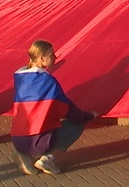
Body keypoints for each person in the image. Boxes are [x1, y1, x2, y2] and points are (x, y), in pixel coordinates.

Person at [11, 40, 98, 175]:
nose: (55, 58)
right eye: (52, 55)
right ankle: (47, 159)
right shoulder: (47, 82)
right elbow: (68, 110)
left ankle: (25, 154)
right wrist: (89, 116)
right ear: (41, 58)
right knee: (77, 125)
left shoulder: (20, 79)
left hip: (18, 139)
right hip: (37, 141)